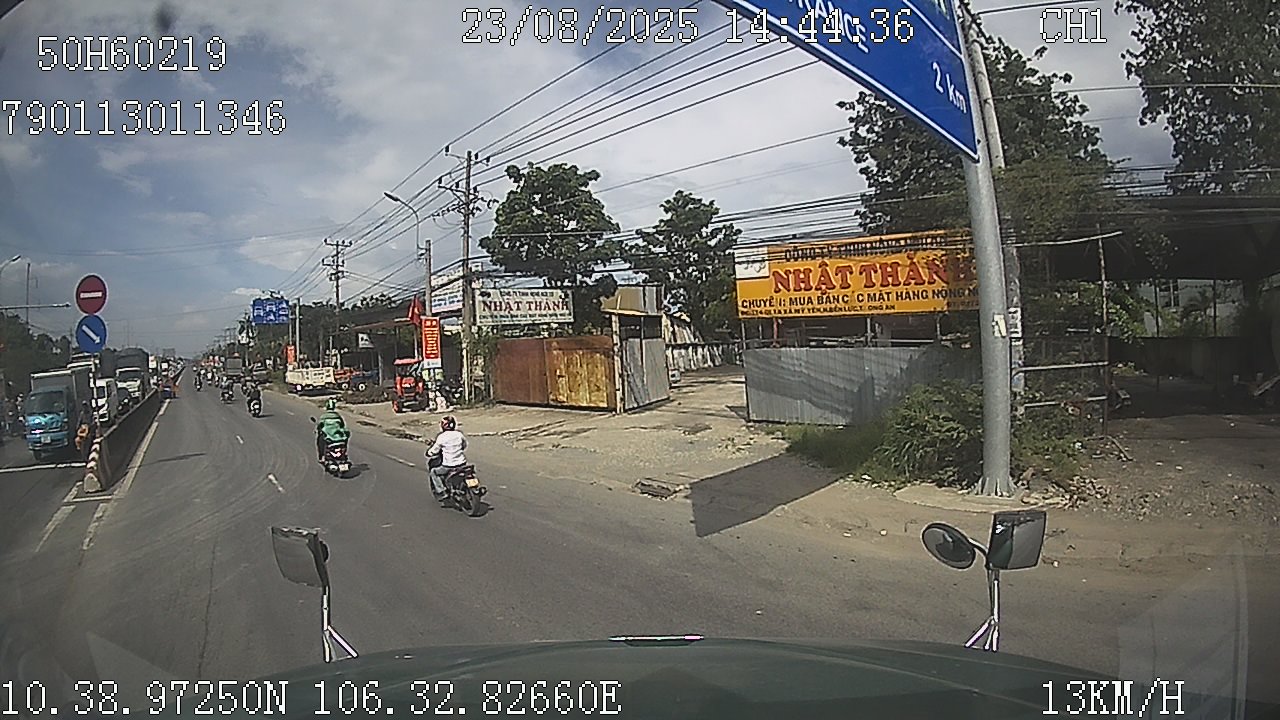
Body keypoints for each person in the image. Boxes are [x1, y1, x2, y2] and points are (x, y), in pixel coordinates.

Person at [425, 415, 467, 499]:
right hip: (462, 463)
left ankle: (442, 491)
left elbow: (434, 450)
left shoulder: (441, 437)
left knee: (434, 472)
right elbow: (464, 445)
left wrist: (429, 453)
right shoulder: (459, 434)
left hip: (449, 465)